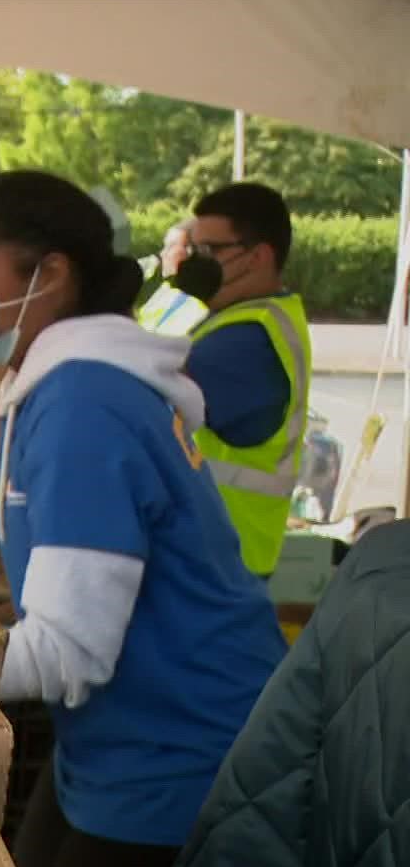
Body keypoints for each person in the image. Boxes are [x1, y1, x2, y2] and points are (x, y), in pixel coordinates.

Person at [0, 170, 285, 867]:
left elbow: (71, 650)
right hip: (111, 746)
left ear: (48, 275)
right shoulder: (64, 386)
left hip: (177, 754)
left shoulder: (86, 402)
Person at [183, 183, 311, 579]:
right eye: (192, 249)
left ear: (258, 256)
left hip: (217, 564)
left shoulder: (247, 341)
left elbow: (139, 400)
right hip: (217, 556)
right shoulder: (231, 320)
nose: (195, 263)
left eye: (211, 251)